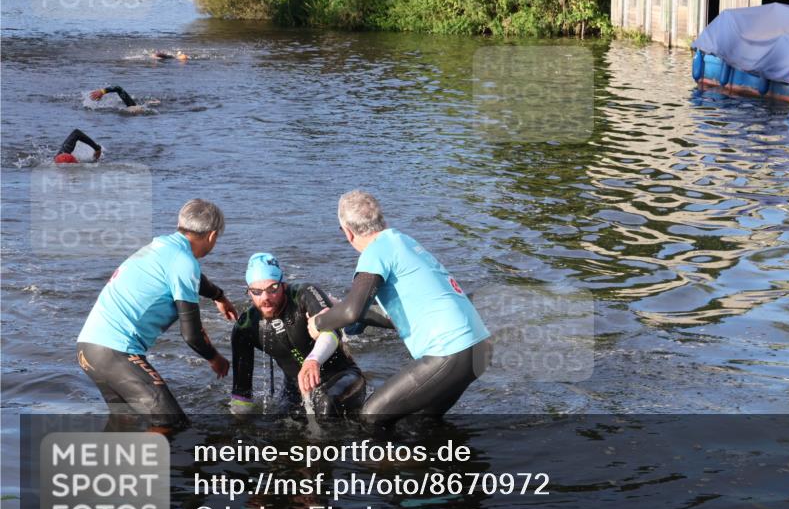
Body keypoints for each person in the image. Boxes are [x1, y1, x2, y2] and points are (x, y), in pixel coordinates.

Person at [308, 190, 491, 428]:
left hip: (451, 352)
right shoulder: (403, 242)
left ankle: (387, 464)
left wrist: (319, 323)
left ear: (347, 232)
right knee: (421, 423)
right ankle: (439, 463)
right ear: (381, 220)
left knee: (372, 417)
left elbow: (352, 311)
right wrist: (354, 317)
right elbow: (394, 314)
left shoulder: (375, 252)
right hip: (479, 348)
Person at [77, 199, 237, 431]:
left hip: (88, 348)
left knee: (125, 424)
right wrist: (215, 358)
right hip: (115, 352)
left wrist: (218, 296)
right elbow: (191, 335)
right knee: (171, 423)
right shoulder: (184, 262)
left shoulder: (162, 246)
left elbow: (191, 279)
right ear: (212, 236)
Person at [230, 253, 390, 419]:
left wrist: (313, 360)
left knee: (326, 405)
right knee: (280, 422)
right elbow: (241, 395)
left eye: (273, 289)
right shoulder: (246, 327)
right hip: (294, 389)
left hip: (342, 376)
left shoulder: (303, 293)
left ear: (283, 285)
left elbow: (332, 332)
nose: (265, 298)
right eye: (257, 291)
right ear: (249, 292)